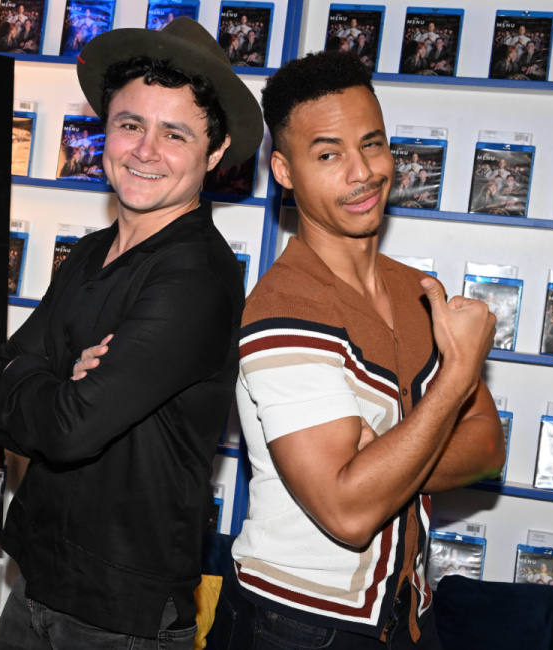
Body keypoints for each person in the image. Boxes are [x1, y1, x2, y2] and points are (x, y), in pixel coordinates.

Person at [211, 50, 503, 649]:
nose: (362, 172)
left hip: (404, 619)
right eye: (328, 154)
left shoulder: (418, 290)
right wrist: (452, 387)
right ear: (285, 171)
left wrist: (386, 458)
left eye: (372, 144)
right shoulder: (283, 309)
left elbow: (488, 448)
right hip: (292, 627)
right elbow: (348, 513)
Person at [0, 17, 262, 649]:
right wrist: (51, 381)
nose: (144, 150)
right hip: (34, 587)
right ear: (105, 129)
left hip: (120, 620)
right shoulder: (87, 253)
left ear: (214, 154)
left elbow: (69, 428)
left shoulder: (197, 276)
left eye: (175, 134)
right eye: (130, 124)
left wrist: (41, 381)